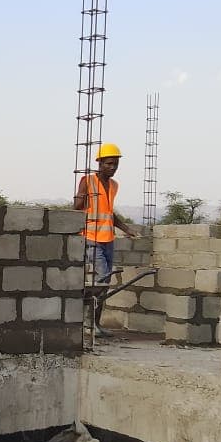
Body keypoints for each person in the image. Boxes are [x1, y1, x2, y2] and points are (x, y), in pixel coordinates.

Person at [74, 143, 137, 336]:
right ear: (99, 163)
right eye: (109, 163)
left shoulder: (114, 186)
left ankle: (95, 325)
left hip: (108, 239)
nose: (113, 168)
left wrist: (126, 228)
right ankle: (87, 322)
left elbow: (109, 213)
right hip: (91, 238)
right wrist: (81, 197)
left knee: (104, 283)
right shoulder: (88, 180)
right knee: (101, 280)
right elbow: (77, 208)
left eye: (116, 164)